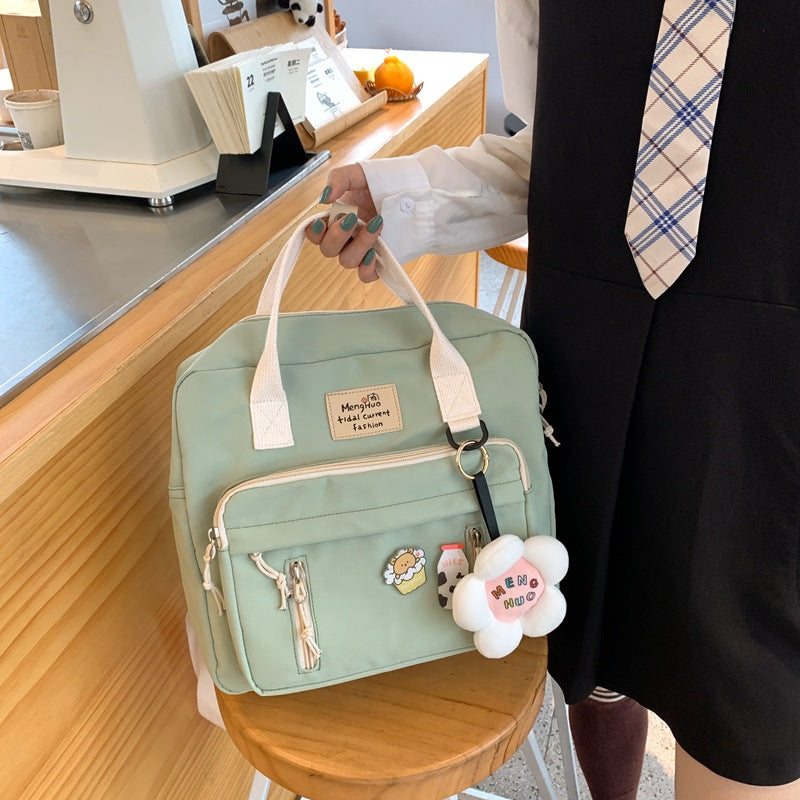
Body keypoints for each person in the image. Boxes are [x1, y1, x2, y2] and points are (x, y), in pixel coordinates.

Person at [304, 1, 800, 798]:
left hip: (766, 378)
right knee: (587, 635)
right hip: (584, 349)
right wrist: (401, 194)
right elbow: (559, 146)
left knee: (745, 696)